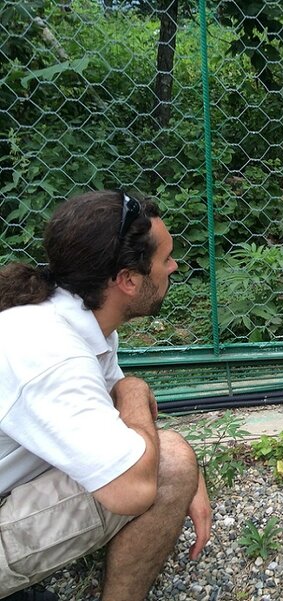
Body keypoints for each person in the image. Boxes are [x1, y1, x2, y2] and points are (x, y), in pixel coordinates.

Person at [0, 190, 212, 601]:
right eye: (165, 258)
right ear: (128, 280)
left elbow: (118, 422)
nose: (174, 266)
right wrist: (134, 390)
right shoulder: (52, 354)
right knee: (166, 464)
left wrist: (194, 478)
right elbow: (130, 488)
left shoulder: (70, 319)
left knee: (168, 458)